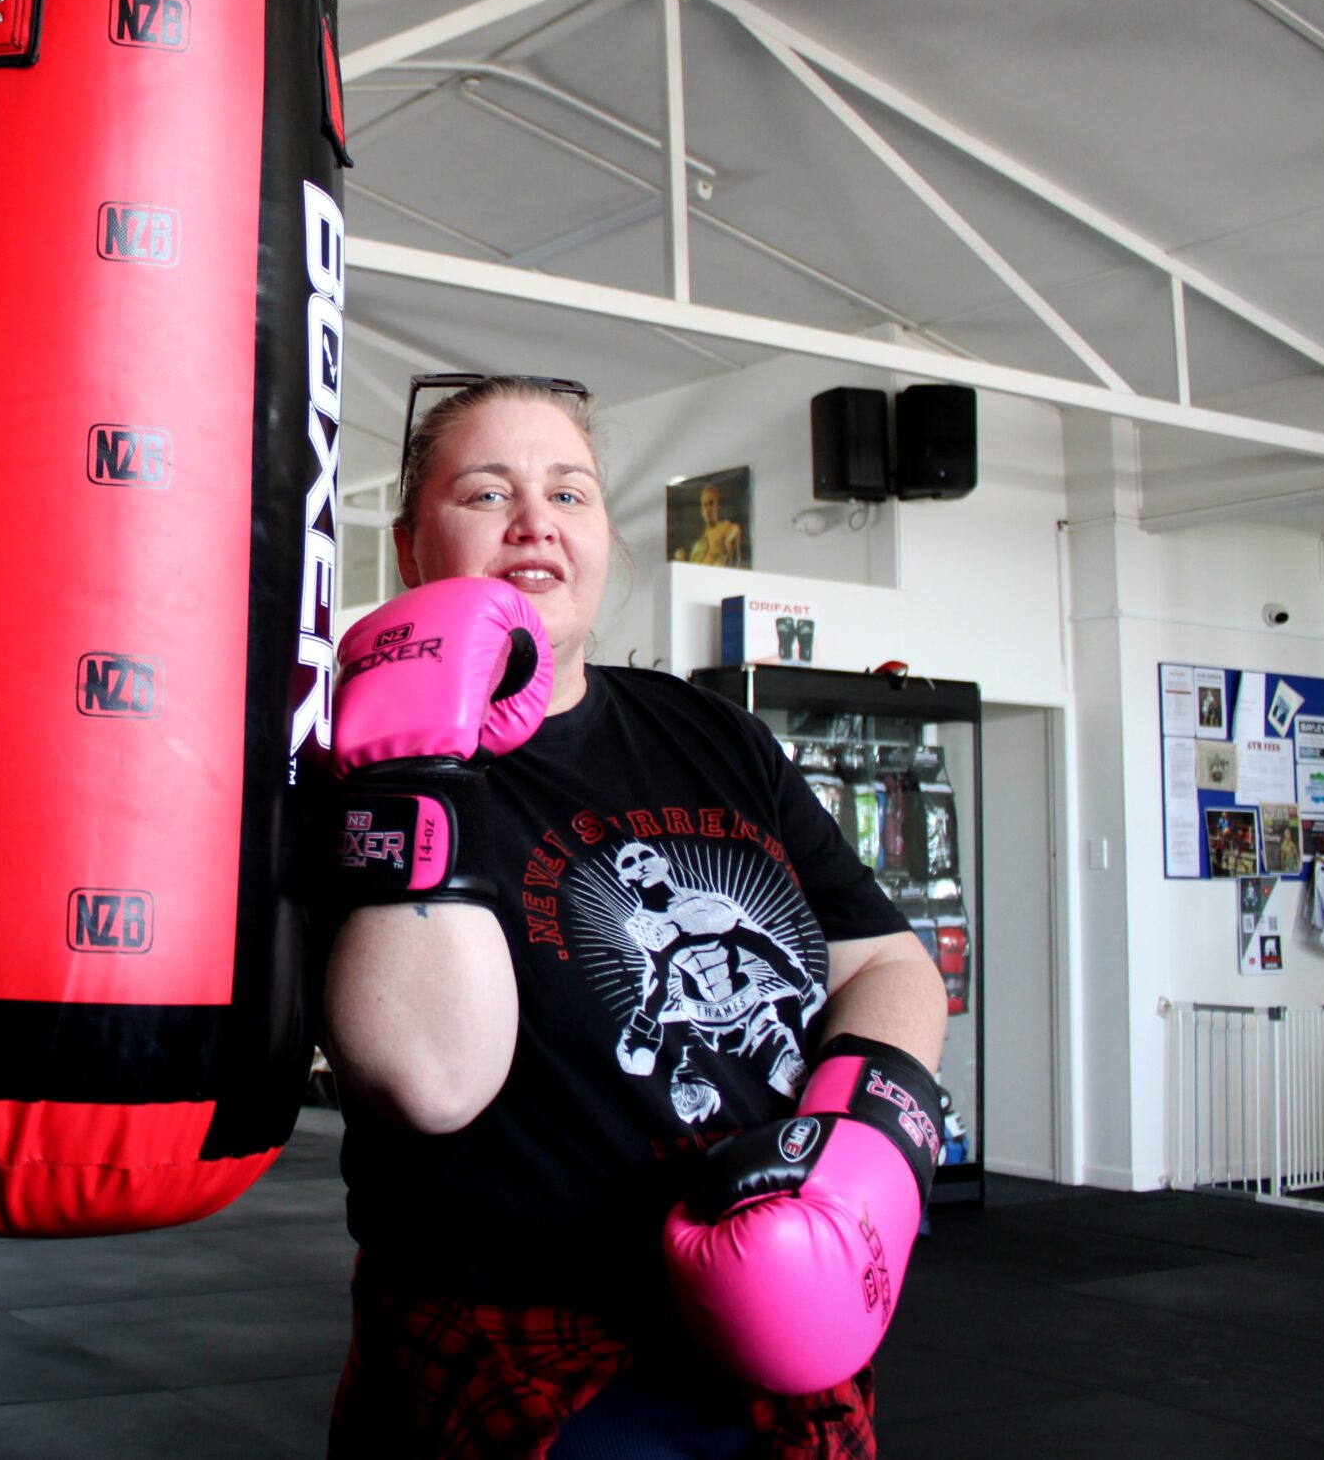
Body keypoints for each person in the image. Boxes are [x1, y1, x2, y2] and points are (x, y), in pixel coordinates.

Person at [320, 376, 947, 1458]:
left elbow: (886, 960)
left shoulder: (711, 733)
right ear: (412, 545)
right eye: (486, 493)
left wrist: (852, 1150)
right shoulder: (347, 764)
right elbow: (423, 1079)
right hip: (523, 1344)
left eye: (570, 493)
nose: (536, 524)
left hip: (783, 1315)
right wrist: (418, 759)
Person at [674, 480, 745, 568]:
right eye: (705, 505)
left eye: (711, 503)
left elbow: (736, 530)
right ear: (702, 511)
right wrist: (682, 560)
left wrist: (729, 541)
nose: (708, 509)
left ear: (718, 505)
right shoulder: (700, 543)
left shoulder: (725, 527)